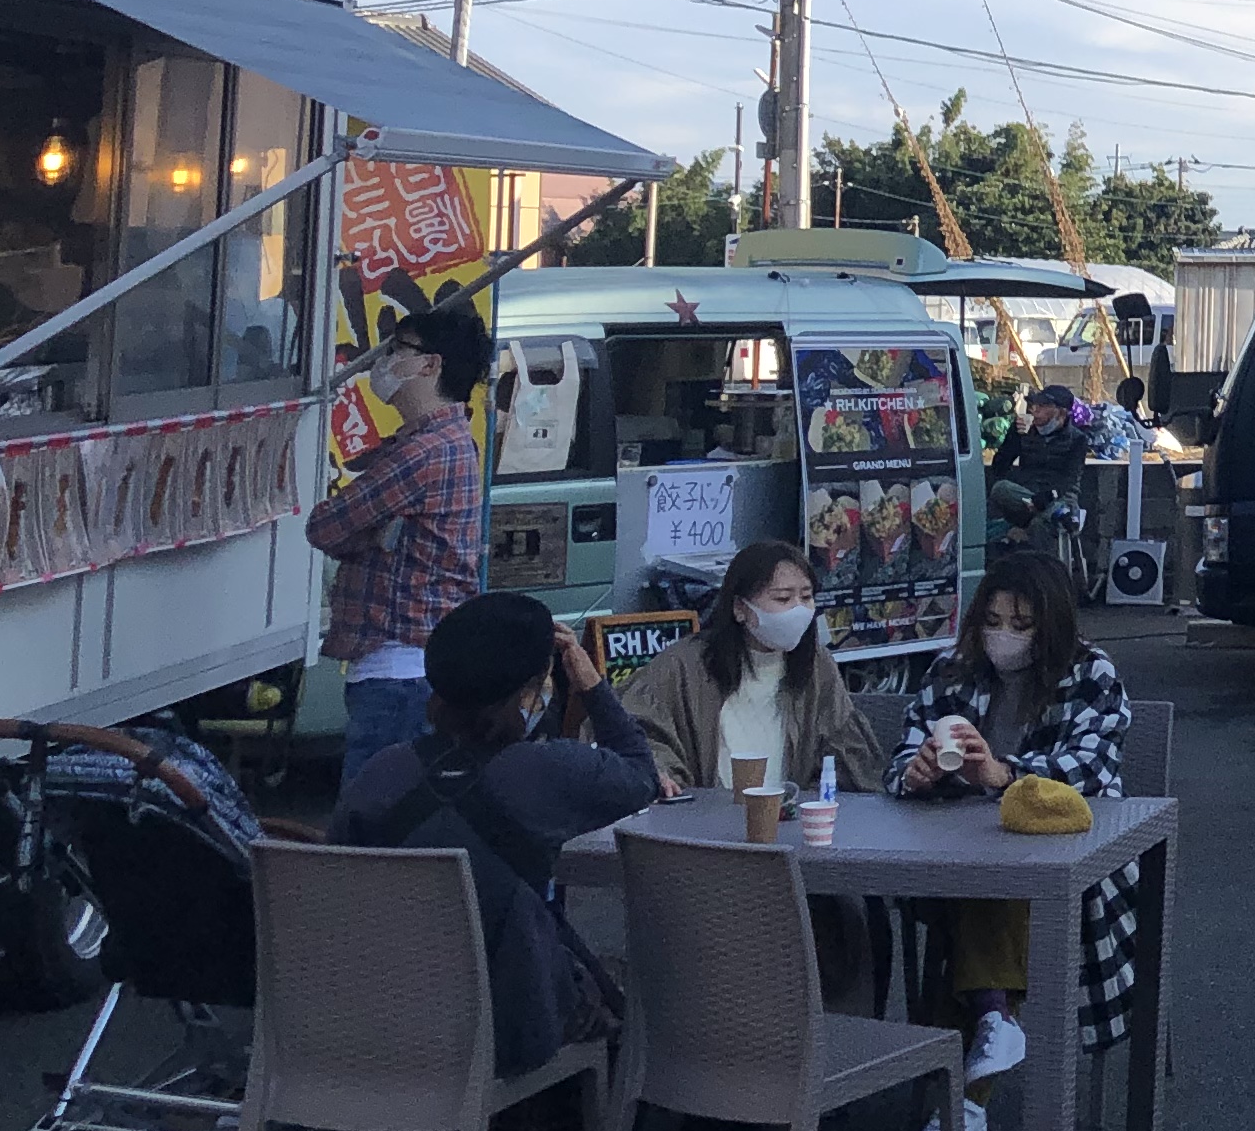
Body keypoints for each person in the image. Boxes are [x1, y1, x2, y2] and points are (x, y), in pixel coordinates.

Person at [330, 589, 658, 1078]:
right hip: (509, 1030)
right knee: (613, 990)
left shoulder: (381, 772)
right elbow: (641, 774)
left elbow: (339, 870)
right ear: (528, 694)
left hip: (378, 1020)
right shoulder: (551, 771)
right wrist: (591, 684)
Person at [884, 549, 1141, 1131]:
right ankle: (994, 1022)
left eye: (1022, 625)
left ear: (1052, 626)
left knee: (997, 887)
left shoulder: (1092, 674)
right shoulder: (951, 671)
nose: (1003, 636)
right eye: (993, 621)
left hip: (1067, 863)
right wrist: (916, 773)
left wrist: (1002, 774)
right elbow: (902, 753)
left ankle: (969, 1093)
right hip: (952, 862)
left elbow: (1089, 769)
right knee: (978, 883)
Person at [310, 302, 498, 794]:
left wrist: (368, 536)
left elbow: (324, 526)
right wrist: (371, 535)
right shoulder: (448, 440)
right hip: (417, 665)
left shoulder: (422, 452)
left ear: (430, 364)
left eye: (398, 350)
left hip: (397, 673)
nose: (385, 361)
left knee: (370, 820)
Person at [622, 540, 882, 799]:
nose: (798, 610)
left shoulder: (817, 664)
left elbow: (847, 754)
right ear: (740, 608)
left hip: (788, 815)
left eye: (806, 597)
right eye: (783, 598)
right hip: (704, 813)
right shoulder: (684, 664)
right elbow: (636, 730)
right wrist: (659, 771)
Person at [990, 382, 1091, 529]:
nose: (1035, 410)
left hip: (1059, 496)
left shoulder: (1077, 439)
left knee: (1041, 523)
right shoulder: (1026, 432)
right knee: (1001, 489)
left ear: (1061, 412)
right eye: (1034, 404)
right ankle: (1057, 516)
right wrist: (1014, 436)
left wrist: (1049, 496)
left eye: (1043, 406)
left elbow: (1070, 478)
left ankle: (1056, 515)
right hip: (1026, 496)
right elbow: (999, 466)